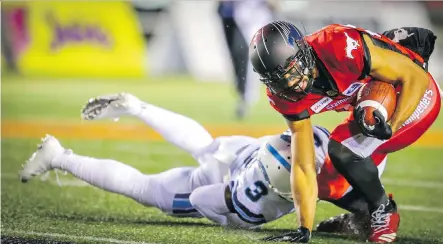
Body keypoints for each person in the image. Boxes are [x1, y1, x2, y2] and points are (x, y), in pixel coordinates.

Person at [20, 93, 386, 235]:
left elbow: (307, 147)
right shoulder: (260, 199)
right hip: (231, 186)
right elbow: (201, 200)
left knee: (206, 145)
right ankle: (60, 157)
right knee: (147, 190)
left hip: (243, 152)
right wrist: (230, 220)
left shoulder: (303, 145)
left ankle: (139, 107)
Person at [249, 21, 441, 243]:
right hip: (370, 106)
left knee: (343, 147)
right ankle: (363, 218)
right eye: (278, 81)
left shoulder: (338, 45)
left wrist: (394, 124)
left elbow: (415, 76)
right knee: (326, 185)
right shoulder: (282, 96)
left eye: (292, 72)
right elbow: (303, 165)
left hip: (415, 93)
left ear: (302, 53)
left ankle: (383, 212)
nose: (291, 84)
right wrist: (304, 230)